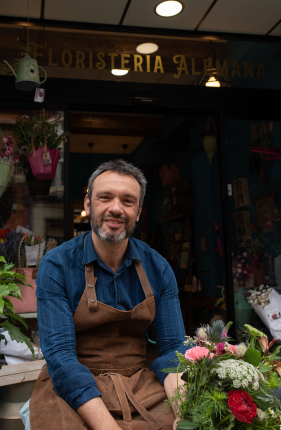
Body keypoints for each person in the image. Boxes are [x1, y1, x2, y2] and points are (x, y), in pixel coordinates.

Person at [25, 160, 189, 430]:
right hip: (71, 387)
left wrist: (185, 412)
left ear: (138, 211)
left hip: (141, 386)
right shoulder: (57, 265)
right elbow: (61, 358)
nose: (116, 208)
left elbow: (173, 350)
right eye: (105, 198)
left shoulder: (158, 268)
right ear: (88, 204)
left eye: (128, 200)